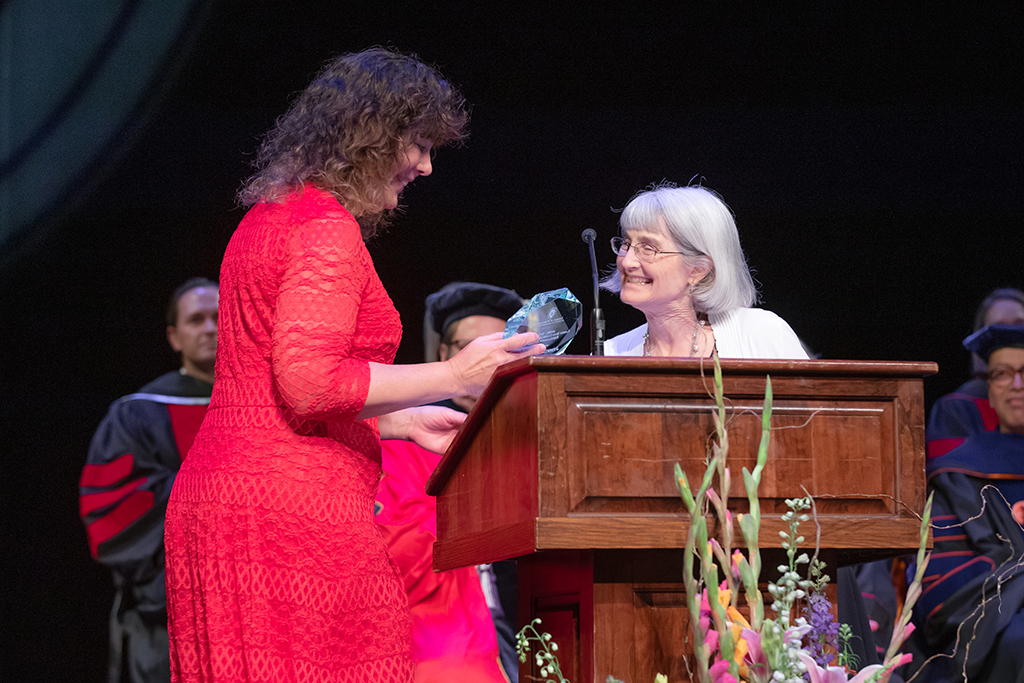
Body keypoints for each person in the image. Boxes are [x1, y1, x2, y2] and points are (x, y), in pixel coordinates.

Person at [163, 49, 543, 683]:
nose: (424, 166)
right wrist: (455, 378)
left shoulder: (268, 218)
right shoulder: (323, 230)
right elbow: (310, 384)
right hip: (288, 511)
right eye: (418, 145)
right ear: (372, 135)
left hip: (225, 498)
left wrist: (401, 421)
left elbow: (271, 390)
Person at [376, 282, 524, 683]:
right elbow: (396, 553)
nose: (487, 359)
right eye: (468, 347)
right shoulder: (407, 439)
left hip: (528, 610)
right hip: (445, 627)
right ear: (443, 355)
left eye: (500, 346)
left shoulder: (532, 428)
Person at [79, 278, 219, 683]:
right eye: (196, 320)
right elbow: (111, 511)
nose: (210, 328)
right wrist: (221, 495)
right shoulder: (136, 415)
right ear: (174, 337)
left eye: (218, 318)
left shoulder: (271, 405)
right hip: (170, 623)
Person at [912, 324, 1024, 682]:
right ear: (989, 391)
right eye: (1002, 375)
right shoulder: (957, 475)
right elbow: (938, 591)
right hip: (994, 631)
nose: (1016, 385)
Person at [601, 182, 806, 359]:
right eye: (626, 244)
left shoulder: (763, 334)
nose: (627, 262)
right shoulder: (610, 353)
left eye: (648, 248)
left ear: (698, 270)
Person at [927, 287, 1024, 459]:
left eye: (1019, 325)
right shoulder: (957, 408)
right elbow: (950, 477)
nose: (1010, 334)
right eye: (998, 327)